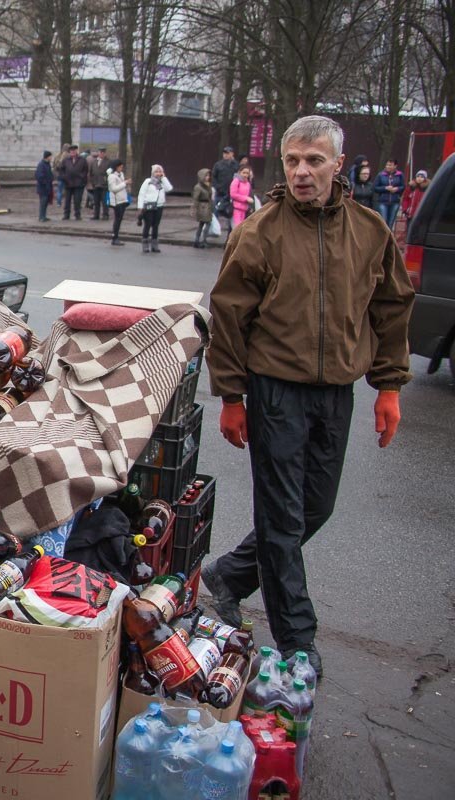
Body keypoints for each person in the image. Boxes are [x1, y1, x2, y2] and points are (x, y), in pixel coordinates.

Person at [203, 115, 414, 680]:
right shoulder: (260, 232)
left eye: (314, 160)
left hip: (335, 394)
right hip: (274, 392)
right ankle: (298, 638)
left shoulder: (369, 230)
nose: (301, 171)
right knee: (281, 519)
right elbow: (228, 317)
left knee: (313, 508)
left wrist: (388, 387)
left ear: (338, 165)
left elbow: (391, 308)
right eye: (292, 160)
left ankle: (229, 574)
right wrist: (231, 395)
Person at [137, 164, 172, 253]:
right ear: (153, 173)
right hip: (148, 206)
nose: (158, 173)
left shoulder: (162, 182)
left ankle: (154, 244)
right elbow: (142, 194)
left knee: (155, 226)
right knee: (147, 225)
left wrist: (164, 178)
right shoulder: (148, 181)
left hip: (159, 206)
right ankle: (145, 244)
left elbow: (169, 189)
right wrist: (140, 207)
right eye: (156, 171)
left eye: (160, 171)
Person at [212, 146, 240, 238]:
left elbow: (238, 176)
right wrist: (217, 187)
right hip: (220, 192)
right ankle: (214, 230)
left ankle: (230, 231)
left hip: (231, 193)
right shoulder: (218, 165)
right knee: (216, 210)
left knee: (230, 212)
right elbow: (214, 177)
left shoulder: (236, 165)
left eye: (228, 153)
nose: (226, 155)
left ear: (232, 154)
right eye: (224, 153)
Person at [373, 158, 406, 228]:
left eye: (390, 165)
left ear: (395, 166)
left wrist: (397, 189)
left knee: (391, 222)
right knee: (383, 221)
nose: (388, 166)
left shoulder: (400, 175)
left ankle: (389, 237)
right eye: (387, 165)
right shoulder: (381, 175)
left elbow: (403, 186)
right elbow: (375, 187)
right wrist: (385, 188)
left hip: (395, 201)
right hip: (383, 201)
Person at [60, 144, 89, 220]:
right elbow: (61, 170)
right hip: (68, 183)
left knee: (77, 200)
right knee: (67, 201)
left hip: (78, 184)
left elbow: (85, 170)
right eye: (71, 151)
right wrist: (64, 177)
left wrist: (82, 177)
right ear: (69, 151)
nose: (72, 152)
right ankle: (66, 215)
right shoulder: (66, 160)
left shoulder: (82, 160)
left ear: (77, 151)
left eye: (74, 150)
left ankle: (77, 214)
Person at [107, 159, 131, 246]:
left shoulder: (121, 174)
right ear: (116, 167)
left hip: (123, 200)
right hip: (116, 201)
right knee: (117, 219)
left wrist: (126, 184)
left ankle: (116, 236)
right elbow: (113, 189)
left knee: (120, 219)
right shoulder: (112, 176)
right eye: (120, 166)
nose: (121, 168)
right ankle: (114, 237)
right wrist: (125, 183)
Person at [191, 168, 214, 248]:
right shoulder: (198, 187)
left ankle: (198, 240)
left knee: (202, 224)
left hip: (208, 206)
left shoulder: (208, 185)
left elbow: (210, 196)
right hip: (202, 206)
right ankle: (202, 240)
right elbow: (195, 198)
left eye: (209, 175)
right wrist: (195, 208)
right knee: (206, 223)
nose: (208, 177)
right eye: (206, 175)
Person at [89, 147, 110, 220]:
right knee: (96, 201)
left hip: (104, 185)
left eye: (103, 152)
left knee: (105, 201)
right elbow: (91, 172)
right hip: (96, 184)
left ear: (105, 153)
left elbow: (110, 174)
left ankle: (105, 214)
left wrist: (106, 182)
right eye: (100, 152)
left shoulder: (108, 162)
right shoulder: (94, 161)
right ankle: (96, 215)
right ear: (98, 153)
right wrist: (93, 182)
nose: (101, 154)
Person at [35, 150, 55, 222]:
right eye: (51, 156)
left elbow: (49, 174)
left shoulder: (47, 164)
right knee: (43, 202)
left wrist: (51, 178)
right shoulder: (41, 164)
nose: (51, 158)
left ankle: (44, 216)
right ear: (48, 157)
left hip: (47, 187)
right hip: (43, 188)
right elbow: (39, 176)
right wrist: (45, 182)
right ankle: (41, 217)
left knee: (46, 202)